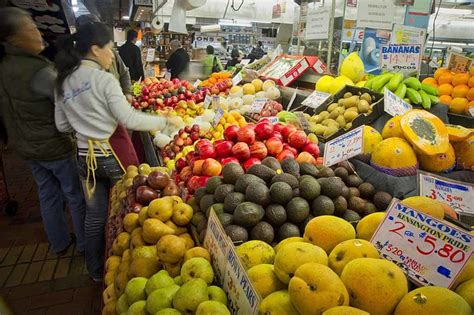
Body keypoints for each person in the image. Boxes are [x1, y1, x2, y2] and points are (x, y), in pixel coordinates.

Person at [54, 22, 178, 280]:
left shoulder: (64, 80)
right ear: (95, 49)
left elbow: (62, 125)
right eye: (110, 48)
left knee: (95, 216)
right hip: (111, 156)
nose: (112, 54)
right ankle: (124, 268)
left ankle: (97, 272)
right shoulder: (103, 79)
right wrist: (164, 121)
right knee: (128, 212)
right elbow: (130, 120)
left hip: (83, 158)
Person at [0, 8, 86, 255]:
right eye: (31, 28)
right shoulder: (39, 71)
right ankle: (82, 244)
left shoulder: (4, 65)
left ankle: (59, 243)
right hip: (54, 145)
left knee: (47, 194)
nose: (38, 33)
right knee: (74, 195)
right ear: (14, 38)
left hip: (26, 145)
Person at [75, 14, 139, 169]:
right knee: (96, 168)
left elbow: (124, 72)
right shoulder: (73, 60)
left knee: (126, 164)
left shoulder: (111, 53)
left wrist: (128, 92)